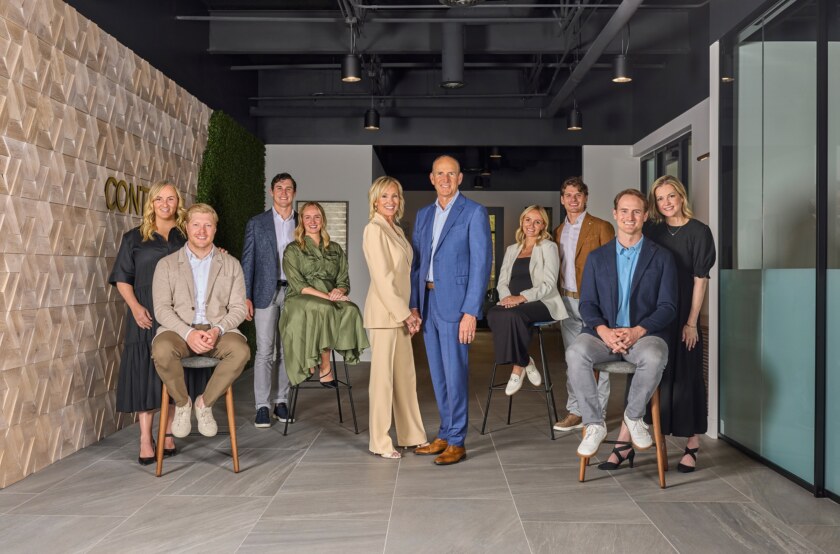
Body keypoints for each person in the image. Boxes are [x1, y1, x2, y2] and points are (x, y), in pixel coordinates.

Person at [566, 189, 677, 460]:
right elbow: (587, 304)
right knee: (575, 352)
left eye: (636, 211)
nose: (630, 217)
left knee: (655, 356)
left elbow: (668, 307)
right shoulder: (597, 257)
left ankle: (634, 417)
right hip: (602, 335)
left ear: (645, 215)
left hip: (644, 335)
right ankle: (594, 424)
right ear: (615, 214)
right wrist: (603, 330)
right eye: (624, 211)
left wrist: (638, 330)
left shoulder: (662, 257)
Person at [109, 181, 202, 465]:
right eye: (159, 199)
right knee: (144, 374)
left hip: (178, 314)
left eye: (170, 199)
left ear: (178, 203)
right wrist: (135, 307)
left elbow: (204, 263)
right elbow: (122, 278)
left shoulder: (186, 236)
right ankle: (145, 438)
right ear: (151, 202)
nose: (165, 204)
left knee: (173, 371)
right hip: (145, 313)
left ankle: (168, 433)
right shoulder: (134, 238)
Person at [410, 155, 492, 466]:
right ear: (432, 178)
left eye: (451, 174)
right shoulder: (423, 215)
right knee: (438, 374)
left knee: (455, 373)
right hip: (428, 303)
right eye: (440, 174)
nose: (445, 179)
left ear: (459, 179)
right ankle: (444, 433)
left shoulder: (473, 212)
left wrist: (471, 311)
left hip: (456, 306)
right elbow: (417, 264)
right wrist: (414, 304)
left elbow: (481, 265)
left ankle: (457, 440)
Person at [634, 175, 715, 473]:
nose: (666, 202)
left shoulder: (699, 232)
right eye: (660, 198)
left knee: (688, 375)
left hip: (684, 315)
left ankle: (692, 443)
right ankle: (648, 434)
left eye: (671, 196)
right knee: (656, 375)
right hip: (656, 314)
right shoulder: (652, 231)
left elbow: (700, 280)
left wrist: (692, 322)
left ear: (681, 196)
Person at [151, 204, 251, 438]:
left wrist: (218, 329)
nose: (202, 231)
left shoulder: (231, 264)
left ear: (215, 229)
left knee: (241, 351)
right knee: (161, 349)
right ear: (186, 227)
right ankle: (183, 403)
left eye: (208, 225)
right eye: (196, 224)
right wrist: (188, 333)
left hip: (219, 331)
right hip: (179, 331)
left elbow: (238, 308)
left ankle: (204, 404)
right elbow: (162, 309)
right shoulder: (166, 265)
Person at [362, 176, 428, 459]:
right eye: (385, 196)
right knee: (382, 382)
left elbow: (404, 278)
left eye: (395, 196)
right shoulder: (373, 229)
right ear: (375, 200)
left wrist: (410, 310)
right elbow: (383, 278)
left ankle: (412, 435)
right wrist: (405, 314)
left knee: (405, 378)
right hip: (384, 315)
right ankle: (379, 442)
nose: (390, 201)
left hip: (400, 314)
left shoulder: (396, 229)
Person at [279, 202, 369, 387]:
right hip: (300, 298)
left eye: (317, 217)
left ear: (323, 220)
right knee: (325, 308)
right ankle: (323, 367)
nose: (312, 221)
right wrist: (329, 297)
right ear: (301, 221)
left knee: (351, 309)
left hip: (330, 297)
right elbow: (299, 286)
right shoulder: (293, 249)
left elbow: (343, 280)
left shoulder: (335, 248)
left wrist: (338, 291)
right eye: (307, 217)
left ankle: (316, 357)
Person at [552, 177, 615, 432]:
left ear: (585, 197)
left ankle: (597, 415)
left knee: (600, 360)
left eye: (578, 195)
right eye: (568, 195)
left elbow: (612, 269)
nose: (573, 199)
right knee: (573, 360)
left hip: (594, 302)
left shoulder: (601, 226)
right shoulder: (558, 231)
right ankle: (576, 411)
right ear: (562, 199)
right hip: (566, 301)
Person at [487, 205, 567, 395]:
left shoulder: (549, 247)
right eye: (528, 220)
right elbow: (502, 282)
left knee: (515, 315)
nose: (531, 225)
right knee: (493, 313)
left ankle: (517, 369)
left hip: (541, 302)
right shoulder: (511, 249)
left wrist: (521, 298)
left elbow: (549, 284)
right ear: (522, 221)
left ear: (543, 226)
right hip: (513, 303)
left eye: (537, 221)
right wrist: (507, 299)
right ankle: (525, 361)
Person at [241, 173, 298, 428]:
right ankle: (262, 406)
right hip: (265, 292)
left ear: (294, 193)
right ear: (271, 192)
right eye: (279, 188)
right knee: (264, 351)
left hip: (294, 294)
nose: (284, 192)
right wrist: (245, 296)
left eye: (288, 188)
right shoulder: (257, 223)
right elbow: (248, 260)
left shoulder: (302, 222)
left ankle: (281, 401)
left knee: (287, 350)